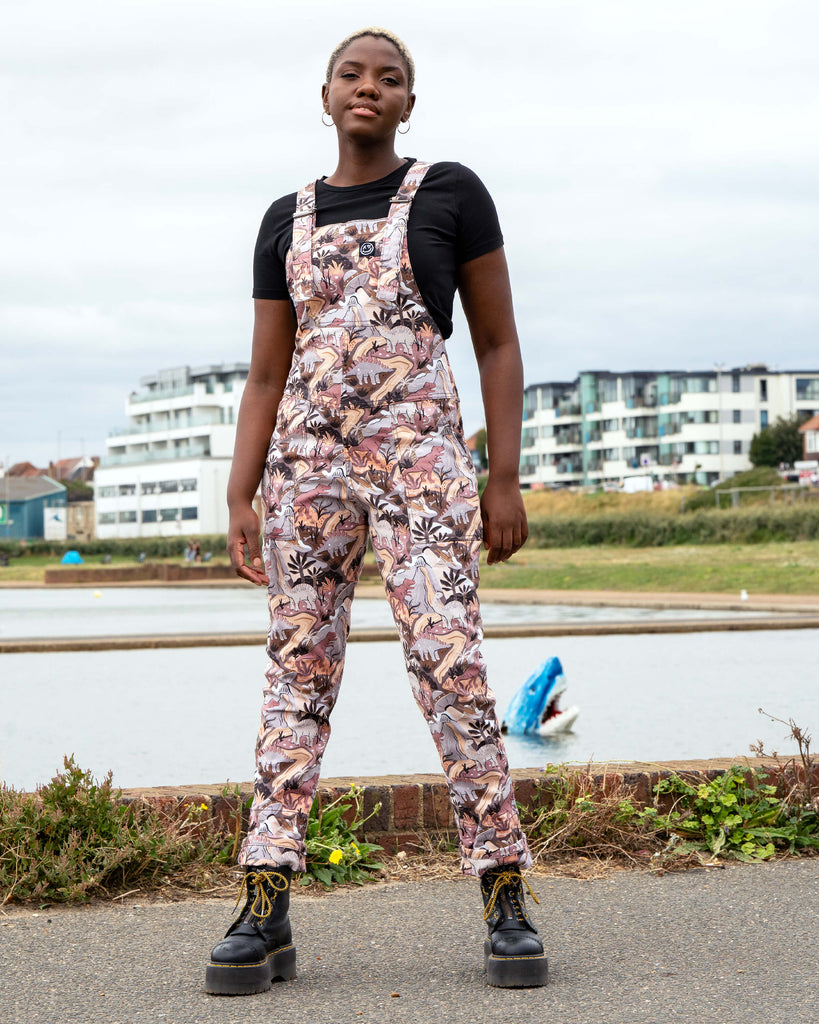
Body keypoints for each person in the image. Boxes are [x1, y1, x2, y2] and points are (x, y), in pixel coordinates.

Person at [205, 26, 546, 995]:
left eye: (389, 77)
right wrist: (240, 490)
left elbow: (497, 343)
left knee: (450, 659)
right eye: (351, 74)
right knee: (296, 671)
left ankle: (504, 887)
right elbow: (266, 370)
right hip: (307, 468)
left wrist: (504, 476)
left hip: (422, 464)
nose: (369, 86)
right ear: (324, 97)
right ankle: (264, 895)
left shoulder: (450, 193)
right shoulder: (284, 218)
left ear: (408, 102)